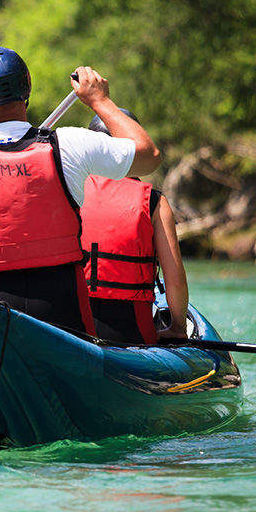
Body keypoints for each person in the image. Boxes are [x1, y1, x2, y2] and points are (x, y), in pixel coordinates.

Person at [0, 46, 161, 336]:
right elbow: (150, 155)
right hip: (64, 316)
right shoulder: (71, 145)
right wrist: (100, 101)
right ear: (26, 88)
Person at [80, 113, 187, 344]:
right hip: (132, 332)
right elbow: (174, 279)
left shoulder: (68, 190)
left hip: (72, 326)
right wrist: (178, 327)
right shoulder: (154, 202)